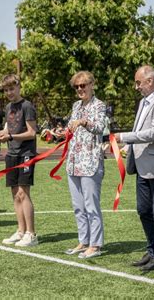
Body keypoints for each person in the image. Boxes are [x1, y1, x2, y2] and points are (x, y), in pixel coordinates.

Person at [115, 65, 154, 271]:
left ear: (150, 81)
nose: (136, 87)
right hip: (141, 165)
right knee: (143, 210)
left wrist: (123, 136)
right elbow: (140, 130)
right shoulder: (144, 102)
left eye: (138, 82)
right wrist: (127, 146)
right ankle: (150, 251)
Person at [0, 74, 38, 247]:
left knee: (24, 193)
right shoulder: (9, 107)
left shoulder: (27, 106)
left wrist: (10, 136)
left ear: (18, 87)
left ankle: (31, 234)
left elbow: (31, 132)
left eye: (11, 88)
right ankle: (21, 231)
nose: (9, 92)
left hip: (26, 153)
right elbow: (7, 128)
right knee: (15, 194)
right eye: (6, 89)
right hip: (12, 154)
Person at [63, 71, 106, 259]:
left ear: (92, 84)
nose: (80, 89)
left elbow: (99, 128)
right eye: (77, 86)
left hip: (91, 161)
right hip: (73, 161)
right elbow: (71, 130)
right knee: (78, 205)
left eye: (83, 85)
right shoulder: (76, 106)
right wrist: (58, 132)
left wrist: (84, 122)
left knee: (91, 205)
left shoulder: (99, 105)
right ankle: (84, 240)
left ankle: (95, 245)